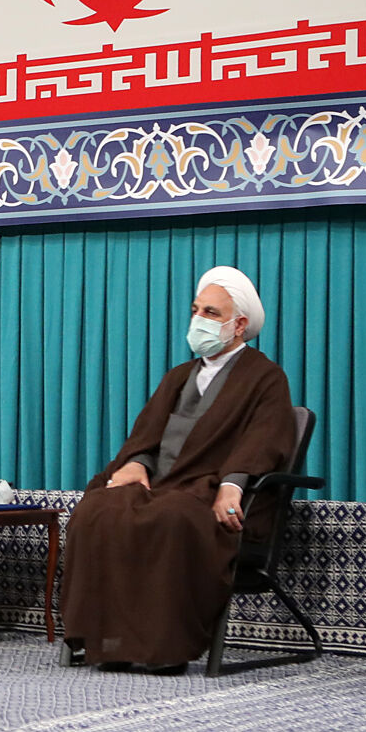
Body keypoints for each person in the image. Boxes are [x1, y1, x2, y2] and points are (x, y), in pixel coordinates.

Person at [60, 267, 297, 674]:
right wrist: (136, 463)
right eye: (196, 310)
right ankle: (109, 644)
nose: (199, 319)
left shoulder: (265, 377)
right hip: (158, 484)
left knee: (173, 517)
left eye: (211, 312)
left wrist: (232, 485)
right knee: (98, 510)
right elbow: (146, 435)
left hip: (208, 491)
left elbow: (264, 440)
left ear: (240, 325)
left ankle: (164, 648)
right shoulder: (179, 376)